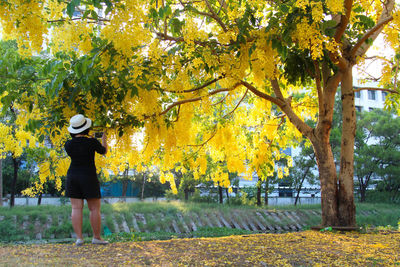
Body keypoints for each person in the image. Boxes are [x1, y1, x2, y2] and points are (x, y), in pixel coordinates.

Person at [65, 114, 109, 246]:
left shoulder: (68, 144)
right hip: (88, 176)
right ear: (86, 128)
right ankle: (96, 237)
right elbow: (103, 151)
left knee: (76, 208)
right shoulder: (92, 142)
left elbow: (79, 147)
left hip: (72, 176)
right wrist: (104, 139)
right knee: (94, 208)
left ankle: (79, 238)